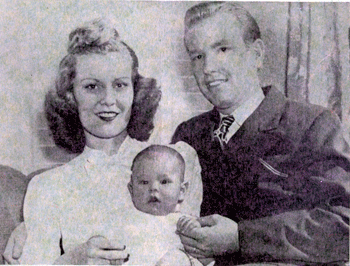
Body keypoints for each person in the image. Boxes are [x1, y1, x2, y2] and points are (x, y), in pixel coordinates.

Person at [3, 18, 202, 264]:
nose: (108, 99)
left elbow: (198, 254)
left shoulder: (177, 162)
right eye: (92, 87)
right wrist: (73, 259)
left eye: (119, 85)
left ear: (135, 91)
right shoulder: (47, 187)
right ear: (70, 95)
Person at [171, 2, 350, 265]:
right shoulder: (188, 135)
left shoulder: (313, 125)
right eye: (197, 56)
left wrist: (241, 238)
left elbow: (343, 224)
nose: (208, 68)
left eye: (222, 49)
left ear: (256, 54)